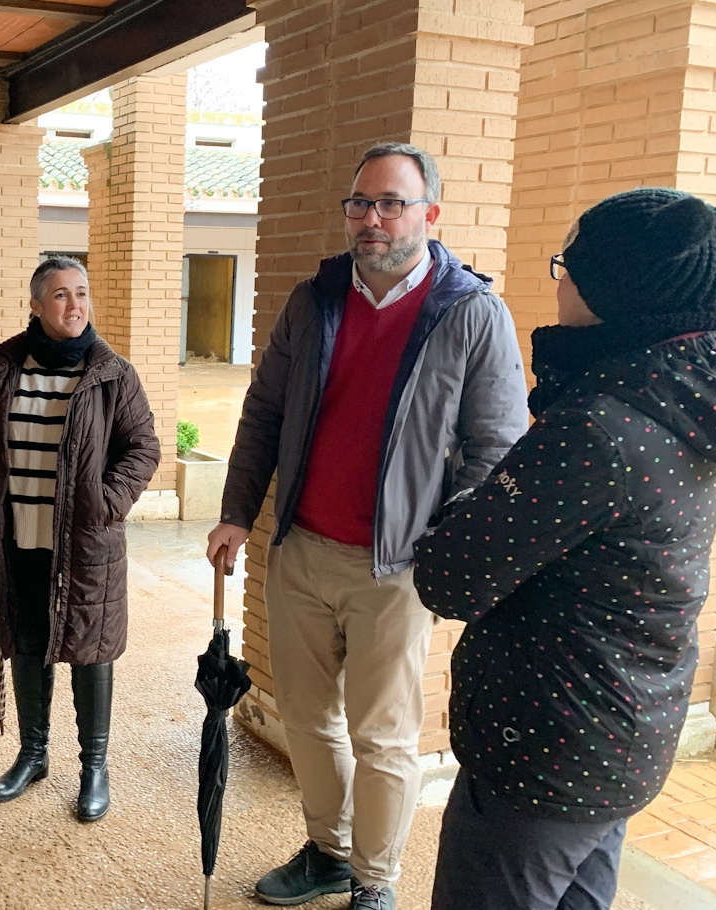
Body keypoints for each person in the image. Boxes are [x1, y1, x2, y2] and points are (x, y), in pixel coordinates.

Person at [205, 142, 529, 910]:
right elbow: (265, 412)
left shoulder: (472, 313)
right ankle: (327, 850)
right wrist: (235, 513)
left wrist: (445, 548)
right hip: (302, 552)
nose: (372, 219)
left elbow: (497, 448)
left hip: (398, 568)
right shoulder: (314, 299)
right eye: (360, 203)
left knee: (383, 736)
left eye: (391, 203)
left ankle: (375, 881)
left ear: (430, 214)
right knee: (310, 719)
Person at [414, 185, 716, 910]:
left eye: (567, 265)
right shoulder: (694, 392)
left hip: (545, 745)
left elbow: (451, 577)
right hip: (622, 726)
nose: (559, 279)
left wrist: (470, 496)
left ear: (616, 294)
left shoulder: (602, 425)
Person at [0, 257, 160, 822]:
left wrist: (106, 504)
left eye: (82, 294)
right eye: (62, 295)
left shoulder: (113, 373)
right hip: (17, 536)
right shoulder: (2, 366)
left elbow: (142, 449)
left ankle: (95, 766)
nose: (75, 306)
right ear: (36, 305)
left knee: (90, 650)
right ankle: (33, 754)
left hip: (86, 543)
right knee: (25, 640)